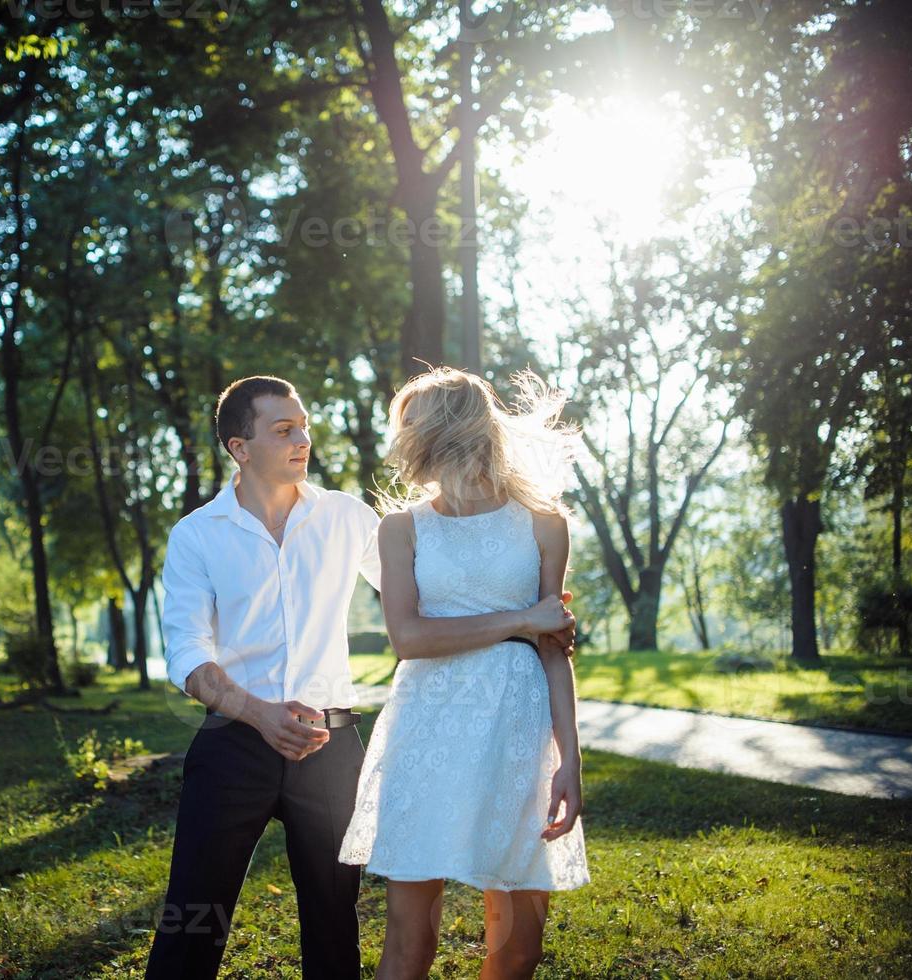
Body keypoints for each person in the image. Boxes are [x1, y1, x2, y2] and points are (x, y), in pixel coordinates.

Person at [338, 365, 591, 980]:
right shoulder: (400, 529)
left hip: (516, 727)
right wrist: (521, 619)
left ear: (444, 431)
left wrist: (570, 761)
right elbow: (410, 638)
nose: (401, 443)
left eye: (409, 427)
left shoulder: (543, 523)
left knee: (518, 949)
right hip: (426, 728)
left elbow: (554, 646)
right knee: (409, 945)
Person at [145, 375, 383, 980]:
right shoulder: (197, 535)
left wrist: (520, 609)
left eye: (303, 426)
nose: (302, 439)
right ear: (239, 447)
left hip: (331, 747)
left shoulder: (347, 517)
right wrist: (257, 712)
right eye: (283, 430)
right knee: (193, 917)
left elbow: (421, 591)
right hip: (233, 742)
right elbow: (187, 653)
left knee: (335, 921)